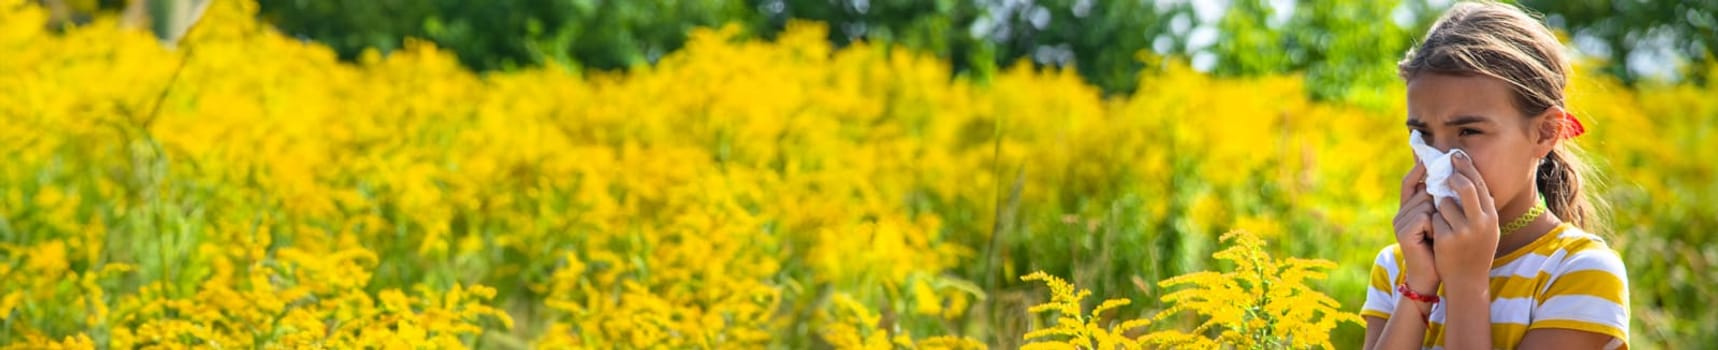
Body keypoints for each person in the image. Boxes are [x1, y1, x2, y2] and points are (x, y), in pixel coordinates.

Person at [1360, 2, 1629, 349]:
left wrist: (1466, 284)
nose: (1439, 160)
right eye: (1423, 135)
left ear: (1545, 133)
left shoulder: (1579, 272)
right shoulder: (1397, 266)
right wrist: (1419, 287)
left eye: (1468, 131)